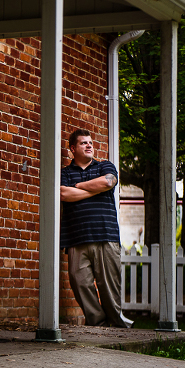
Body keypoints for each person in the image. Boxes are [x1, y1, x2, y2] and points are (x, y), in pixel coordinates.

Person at [60, 128, 133, 328]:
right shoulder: (64, 173)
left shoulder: (105, 166)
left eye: (90, 142)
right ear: (73, 149)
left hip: (105, 235)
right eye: (83, 143)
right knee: (80, 284)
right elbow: (64, 195)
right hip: (76, 237)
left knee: (109, 287)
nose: (89, 145)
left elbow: (108, 182)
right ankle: (98, 325)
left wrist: (79, 187)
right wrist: (95, 189)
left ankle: (117, 327)